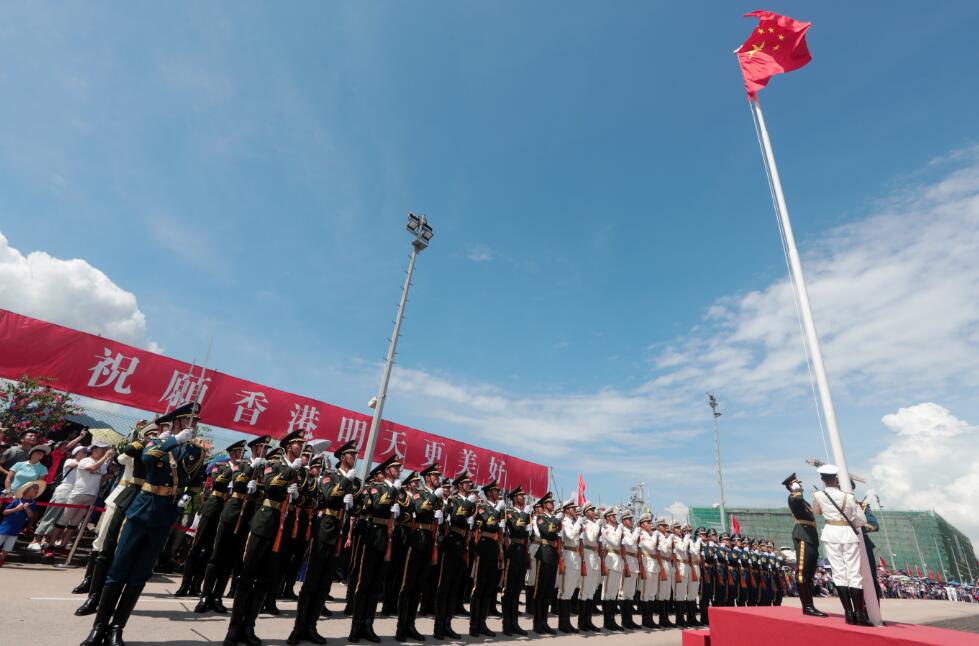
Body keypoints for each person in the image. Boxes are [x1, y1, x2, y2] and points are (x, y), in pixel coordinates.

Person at [81, 403, 209, 646]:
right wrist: (172, 441)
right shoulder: (157, 441)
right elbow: (148, 458)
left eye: (196, 422)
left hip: (165, 514)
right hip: (142, 509)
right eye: (190, 421)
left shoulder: (195, 451)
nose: (194, 426)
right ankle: (99, 627)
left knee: (139, 574)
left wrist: (187, 495)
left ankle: (118, 627)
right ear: (178, 423)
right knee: (118, 570)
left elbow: (196, 479)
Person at [74, 422, 160, 615]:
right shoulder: (137, 448)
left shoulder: (162, 451)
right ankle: (92, 589)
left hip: (144, 499)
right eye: (152, 434)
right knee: (103, 541)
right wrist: (138, 440)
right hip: (123, 494)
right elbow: (122, 459)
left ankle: (104, 594)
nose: (156, 437)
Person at [222, 434, 298, 646]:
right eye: (298, 444)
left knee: (265, 580)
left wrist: (297, 493)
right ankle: (234, 629)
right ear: (288, 447)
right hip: (263, 523)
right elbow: (271, 485)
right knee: (247, 578)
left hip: (281, 528)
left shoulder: (299, 470)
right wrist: (292, 471)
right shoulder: (272, 464)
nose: (301, 447)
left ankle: (249, 626)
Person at [287, 439, 359, 645]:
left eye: (355, 455)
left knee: (324, 585)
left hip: (338, 532)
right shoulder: (331, 475)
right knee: (311, 583)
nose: (354, 458)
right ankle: (298, 628)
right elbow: (328, 495)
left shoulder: (352, 480)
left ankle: (312, 626)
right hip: (324, 530)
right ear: (343, 457)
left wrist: (352, 502)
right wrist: (346, 482)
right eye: (351, 455)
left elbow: (352, 509)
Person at [196, 434, 270, 616]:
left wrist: (258, 490)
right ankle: (206, 595)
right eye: (263, 448)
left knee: (231, 558)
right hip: (232, 512)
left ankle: (218, 596)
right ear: (255, 449)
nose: (265, 451)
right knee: (217, 554)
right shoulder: (242, 464)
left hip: (248, 515)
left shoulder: (264, 470)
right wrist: (249, 471)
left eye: (267, 449)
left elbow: (264, 492)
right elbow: (235, 480)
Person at [175, 440, 247, 598]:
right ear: (230, 453)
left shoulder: (242, 469)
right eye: (237, 452)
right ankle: (185, 583)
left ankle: (196, 584)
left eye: (241, 452)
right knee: (197, 546)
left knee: (210, 550)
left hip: (226, 511)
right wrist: (233, 469)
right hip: (213, 507)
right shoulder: (220, 465)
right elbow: (217, 482)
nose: (239, 455)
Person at [348, 454, 401, 643]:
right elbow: (377, 506)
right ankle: (356, 625)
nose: (399, 471)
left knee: (377, 585)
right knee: (364, 583)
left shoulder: (396, 491)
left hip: (386, 537)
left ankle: (368, 624)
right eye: (396, 468)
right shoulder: (373, 488)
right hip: (372, 537)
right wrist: (392, 494)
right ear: (387, 470)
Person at [811, 464, 871, 626]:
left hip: (831, 532)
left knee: (838, 572)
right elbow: (861, 520)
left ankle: (848, 614)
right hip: (847, 533)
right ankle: (859, 614)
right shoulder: (848, 497)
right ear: (836, 479)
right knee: (854, 573)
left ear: (823, 479)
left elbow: (817, 511)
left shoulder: (818, 495)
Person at [392, 463, 441, 643]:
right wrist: (433, 500)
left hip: (428, 540)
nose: (438, 479)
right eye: (435, 476)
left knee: (419, 586)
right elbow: (419, 510)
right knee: (408, 585)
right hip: (416, 539)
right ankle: (401, 627)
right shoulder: (420, 494)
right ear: (427, 478)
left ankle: (411, 625)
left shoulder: (436, 496)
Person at [47, 442, 114, 557]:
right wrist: (106, 457)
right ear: (94, 450)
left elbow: (100, 478)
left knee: (75, 523)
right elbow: (93, 468)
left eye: (105, 449)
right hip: (78, 493)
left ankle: (62, 546)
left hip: (92, 495)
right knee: (63, 520)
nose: (104, 451)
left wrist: (107, 475)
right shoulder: (85, 461)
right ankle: (50, 546)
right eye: (102, 449)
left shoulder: (102, 464)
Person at [433, 471, 476, 640]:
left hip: (461, 544)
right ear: (460, 486)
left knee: (454, 586)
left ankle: (447, 623)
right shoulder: (453, 499)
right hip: (450, 542)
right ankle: (438, 625)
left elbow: (468, 518)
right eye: (466, 484)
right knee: (444, 586)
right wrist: (467, 506)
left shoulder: (469, 502)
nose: (469, 486)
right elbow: (457, 517)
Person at [29, 444, 88, 551]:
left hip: (75, 492)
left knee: (60, 517)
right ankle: (36, 539)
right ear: (76, 453)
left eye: (85, 452)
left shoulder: (86, 464)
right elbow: (81, 465)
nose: (84, 454)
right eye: (81, 451)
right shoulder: (70, 461)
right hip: (64, 490)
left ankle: (46, 539)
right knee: (51, 514)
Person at [469, 479, 504, 637]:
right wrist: (497, 511)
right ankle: (474, 624)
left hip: (493, 546)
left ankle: (483, 622)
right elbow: (489, 524)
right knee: (479, 587)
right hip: (483, 546)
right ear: (489, 492)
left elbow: (498, 528)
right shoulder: (482, 506)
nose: (498, 493)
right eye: (495, 491)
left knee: (489, 587)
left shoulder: (498, 508)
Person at [530, 491, 559, 635]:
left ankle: (545, 622)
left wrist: (555, 523)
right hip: (544, 552)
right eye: (550, 503)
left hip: (553, 553)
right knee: (540, 589)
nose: (553, 504)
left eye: (553, 502)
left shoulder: (553, 518)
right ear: (544, 505)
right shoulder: (540, 518)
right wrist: (556, 523)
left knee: (548, 590)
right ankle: (537, 622)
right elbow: (547, 531)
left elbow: (556, 533)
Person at [0, 479, 45, 567]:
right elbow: (5, 512)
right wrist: (16, 509)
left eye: (37, 489)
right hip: (5, 527)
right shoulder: (17, 500)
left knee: (8, 547)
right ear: (27, 489)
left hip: (16, 529)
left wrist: (27, 509)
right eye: (35, 488)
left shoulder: (32, 503)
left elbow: (31, 516)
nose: (37, 490)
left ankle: (1, 559)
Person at [599, 507, 624, 631]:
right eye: (613, 515)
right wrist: (619, 529)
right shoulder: (606, 529)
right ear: (608, 517)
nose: (615, 517)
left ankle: (612, 620)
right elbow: (614, 542)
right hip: (610, 560)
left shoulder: (616, 529)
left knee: (613, 593)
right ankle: (607, 621)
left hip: (618, 561)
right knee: (608, 593)